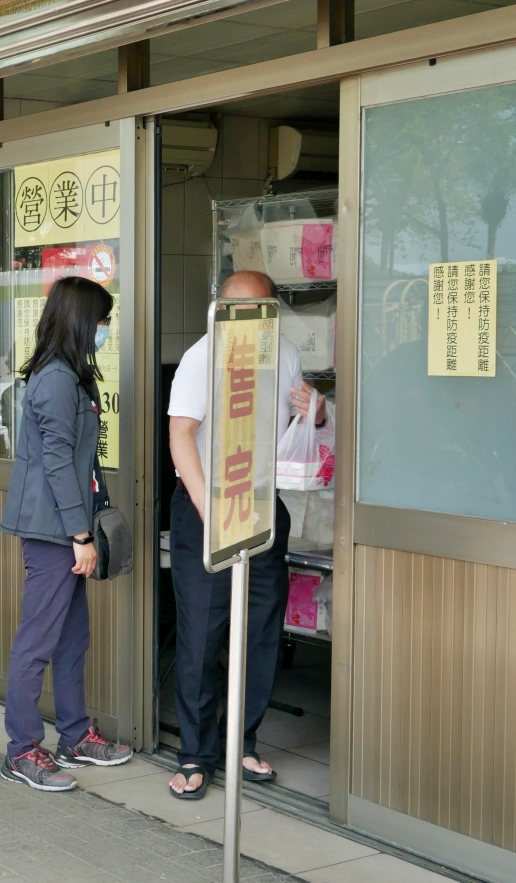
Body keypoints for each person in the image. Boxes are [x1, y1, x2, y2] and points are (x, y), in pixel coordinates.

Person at [166, 269, 324, 799]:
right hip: (206, 508)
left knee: (259, 630)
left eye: (262, 311)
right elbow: (181, 433)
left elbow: (302, 426)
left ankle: (243, 741)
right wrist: (208, 506)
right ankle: (195, 754)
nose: (251, 322)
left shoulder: (285, 355)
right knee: (202, 636)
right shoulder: (200, 356)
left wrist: (317, 415)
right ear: (220, 311)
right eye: (239, 311)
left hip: (260, 507)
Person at [0, 277, 133, 793]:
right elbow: (56, 462)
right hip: (54, 530)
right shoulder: (55, 379)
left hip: (69, 528)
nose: (105, 329)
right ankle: (21, 749)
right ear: (81, 321)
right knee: (37, 641)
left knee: (72, 637)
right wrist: (80, 535)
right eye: (101, 320)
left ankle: (74, 736)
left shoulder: (73, 376)